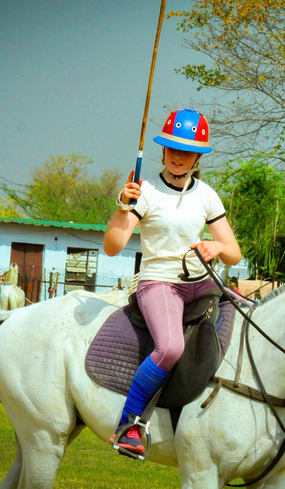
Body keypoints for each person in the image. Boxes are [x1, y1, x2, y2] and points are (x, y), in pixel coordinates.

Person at [103, 109, 242, 456]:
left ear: (198, 157)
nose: (178, 156)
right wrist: (123, 207)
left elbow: (234, 254)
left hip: (202, 285)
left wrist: (218, 245)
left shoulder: (207, 195)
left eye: (187, 151)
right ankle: (130, 424)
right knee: (171, 348)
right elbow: (112, 247)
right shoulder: (145, 190)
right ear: (162, 151)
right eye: (172, 149)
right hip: (160, 284)